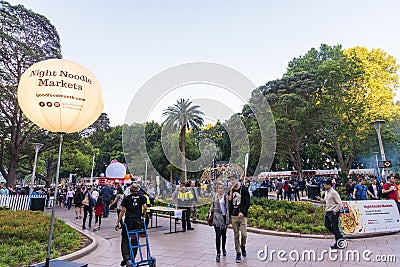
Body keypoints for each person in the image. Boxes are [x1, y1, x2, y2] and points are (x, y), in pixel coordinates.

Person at [115, 183, 147, 267]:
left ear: (130, 190)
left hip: (128, 221)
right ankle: (132, 257)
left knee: (125, 238)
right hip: (137, 221)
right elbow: (145, 207)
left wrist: (118, 222)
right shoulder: (142, 197)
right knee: (135, 238)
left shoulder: (127, 198)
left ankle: (126, 257)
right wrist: (143, 217)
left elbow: (122, 210)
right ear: (138, 190)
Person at [228, 174, 251, 263]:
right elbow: (229, 201)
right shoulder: (231, 190)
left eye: (233, 179)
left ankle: (243, 246)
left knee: (244, 234)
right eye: (231, 180)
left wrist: (243, 212)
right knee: (236, 235)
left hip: (242, 216)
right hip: (234, 216)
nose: (232, 181)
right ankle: (238, 253)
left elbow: (248, 203)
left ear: (237, 179)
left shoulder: (244, 190)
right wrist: (230, 191)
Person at [316, 179, 344, 249]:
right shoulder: (326, 192)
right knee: (326, 225)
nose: (324, 186)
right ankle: (339, 236)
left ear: (329, 185)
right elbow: (326, 201)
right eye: (324, 185)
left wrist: (335, 210)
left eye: (325, 185)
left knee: (335, 227)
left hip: (333, 212)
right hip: (328, 211)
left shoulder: (334, 193)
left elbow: (339, 203)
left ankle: (338, 242)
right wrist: (321, 200)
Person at [209, 182, 230, 262]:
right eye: (219, 188)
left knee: (224, 234)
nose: (220, 189)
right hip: (216, 217)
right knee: (218, 235)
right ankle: (218, 253)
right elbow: (212, 205)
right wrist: (210, 212)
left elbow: (228, 207)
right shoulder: (215, 196)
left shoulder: (226, 197)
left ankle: (223, 248)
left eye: (221, 188)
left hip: (224, 217)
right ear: (217, 189)